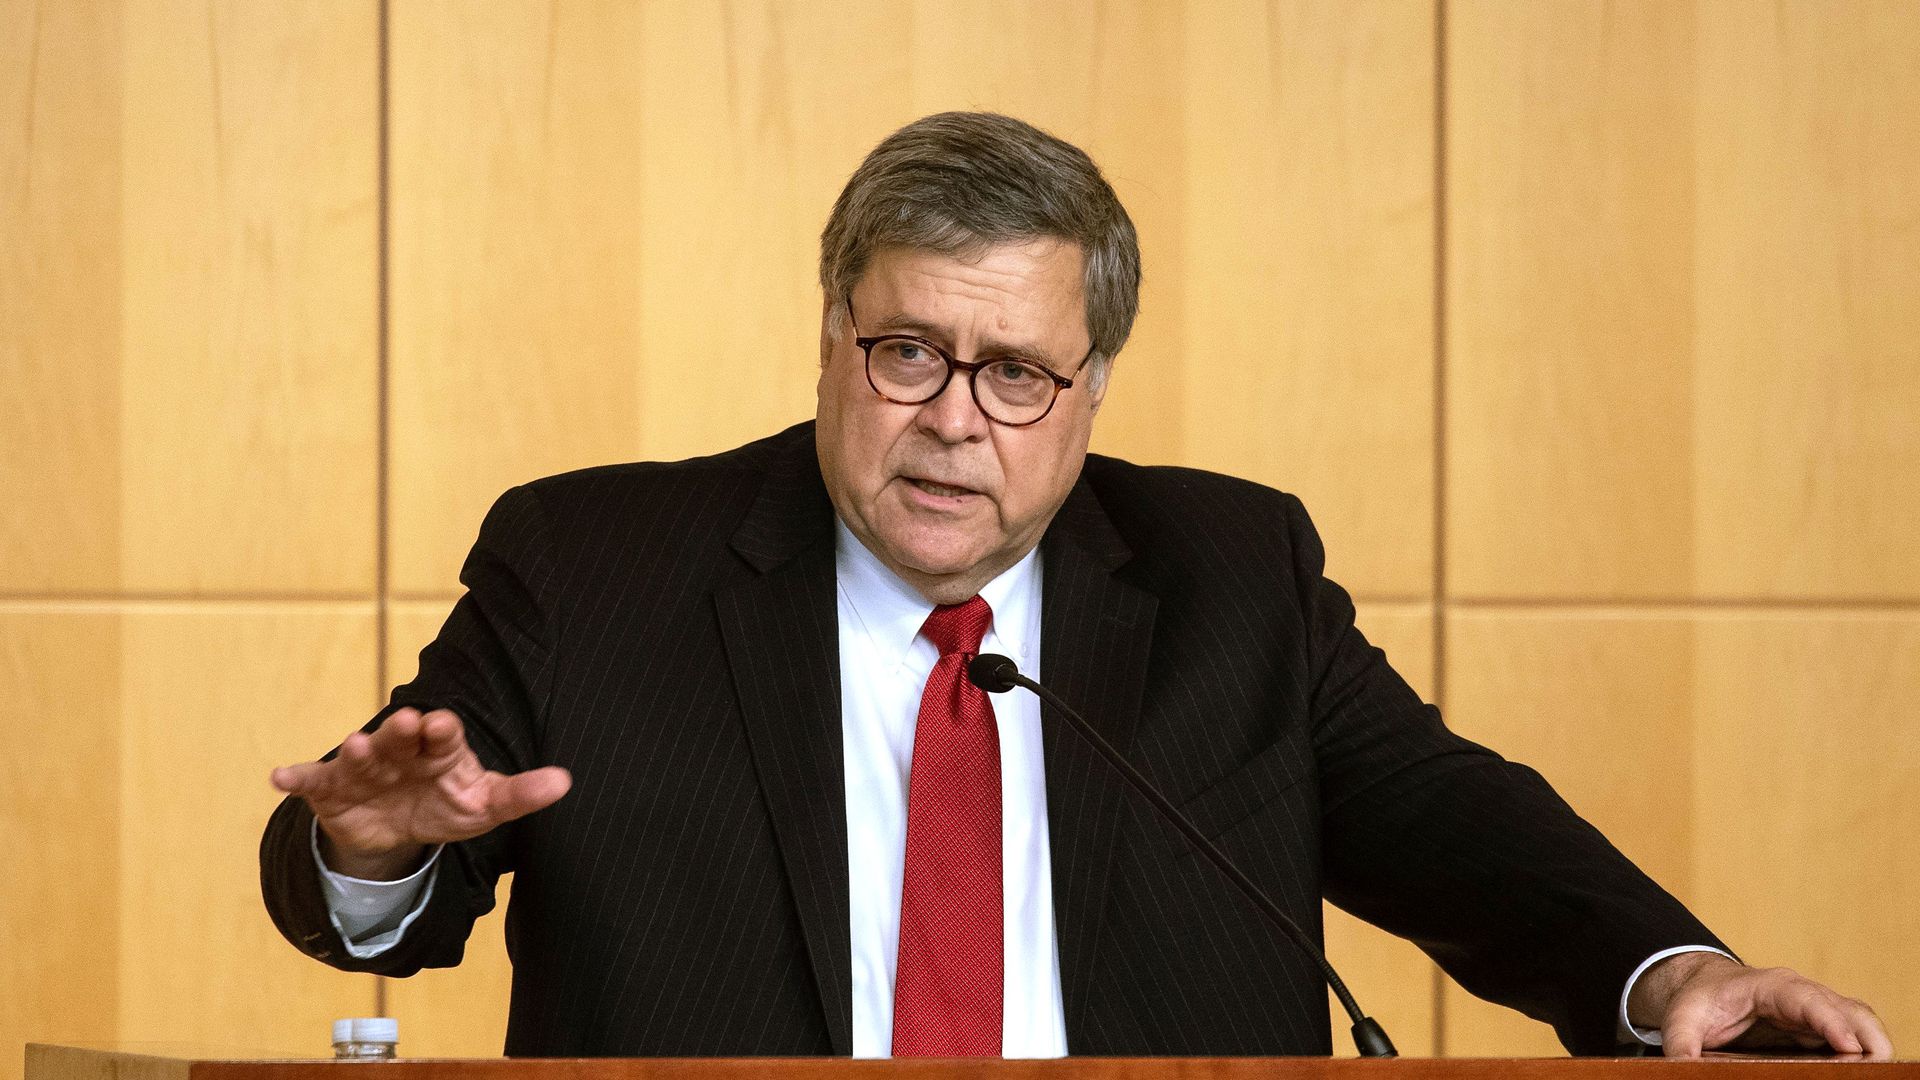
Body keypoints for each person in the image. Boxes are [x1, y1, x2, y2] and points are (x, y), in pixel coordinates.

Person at [261, 112, 1890, 1061]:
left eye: (1019, 372)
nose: (954, 417)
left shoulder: (1230, 577)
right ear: (832, 336)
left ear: (1095, 384)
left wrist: (1677, 975)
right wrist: (367, 846)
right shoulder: (595, 566)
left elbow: (1455, 827)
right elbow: (388, 884)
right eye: (908, 351)